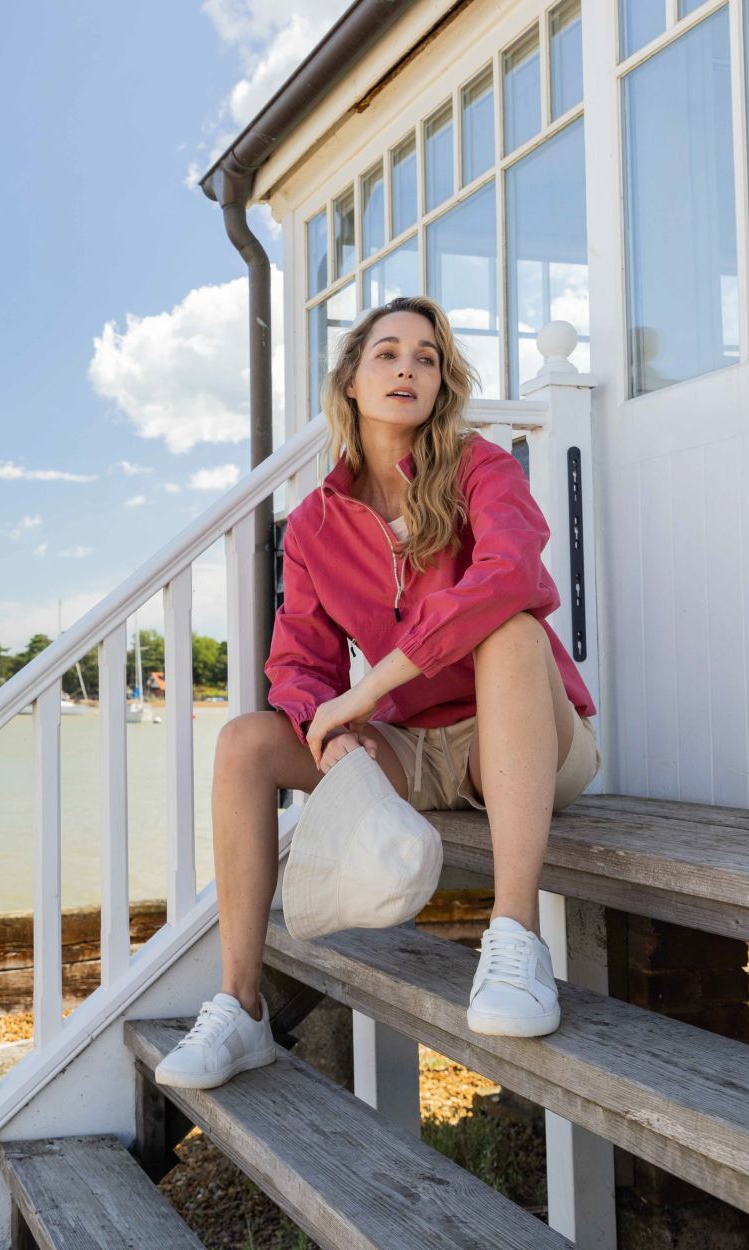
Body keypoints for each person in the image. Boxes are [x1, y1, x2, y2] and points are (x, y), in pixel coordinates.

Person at [155, 295, 601, 1092]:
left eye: (426, 357)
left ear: (440, 384)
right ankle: (241, 1007)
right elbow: (298, 663)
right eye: (387, 353)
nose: (407, 368)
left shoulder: (482, 469)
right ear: (352, 383)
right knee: (246, 743)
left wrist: (375, 685)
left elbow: (513, 579)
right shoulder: (316, 523)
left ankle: (514, 938)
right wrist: (327, 732)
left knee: (511, 629)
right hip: (413, 747)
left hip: (530, 735)